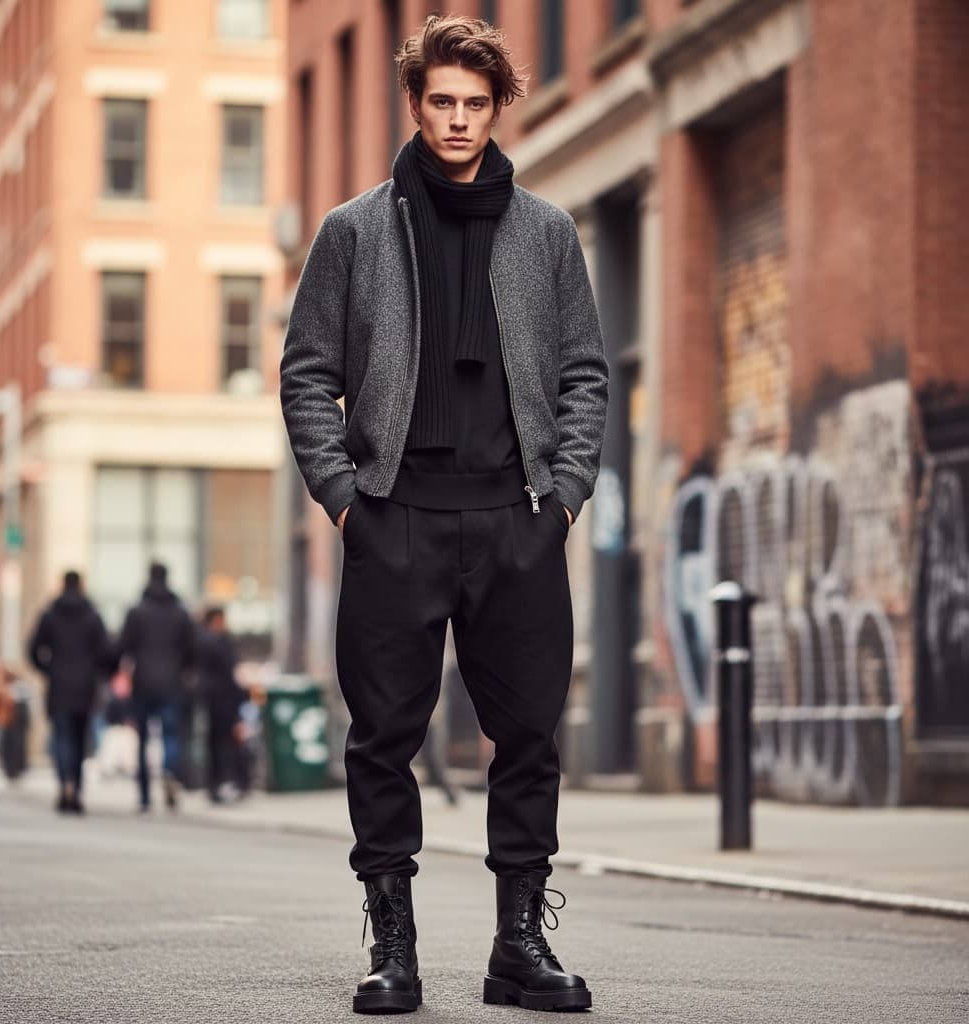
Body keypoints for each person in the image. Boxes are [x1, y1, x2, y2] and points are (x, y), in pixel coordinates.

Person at [280, 14, 607, 1015]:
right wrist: (344, 502)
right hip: (395, 517)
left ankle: (518, 945)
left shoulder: (546, 233)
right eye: (441, 103)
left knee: (529, 736)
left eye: (474, 104)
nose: (458, 121)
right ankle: (394, 946)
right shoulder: (353, 231)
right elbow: (307, 376)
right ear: (415, 105)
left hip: (515, 520)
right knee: (383, 737)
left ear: (496, 106)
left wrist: (561, 498)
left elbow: (584, 374)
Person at [28, 570, 111, 814]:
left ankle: (65, 783)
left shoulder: (50, 614)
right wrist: (96, 672)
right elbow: (106, 651)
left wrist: (48, 669)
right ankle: (76, 788)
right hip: (84, 687)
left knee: (63, 738)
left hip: (59, 685)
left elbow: (33, 648)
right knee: (79, 739)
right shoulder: (92, 615)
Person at [118, 562, 195, 812]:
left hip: (143, 683)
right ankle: (169, 772)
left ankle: (144, 795)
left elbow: (123, 647)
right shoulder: (180, 612)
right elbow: (192, 648)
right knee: (170, 734)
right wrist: (185, 671)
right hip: (172, 682)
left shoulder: (137, 611)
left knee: (142, 739)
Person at [195, 606, 247, 803]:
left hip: (212, 698)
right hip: (222, 698)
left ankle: (216, 784)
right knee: (225, 742)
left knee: (215, 743)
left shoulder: (201, 640)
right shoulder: (217, 641)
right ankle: (228, 782)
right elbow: (228, 669)